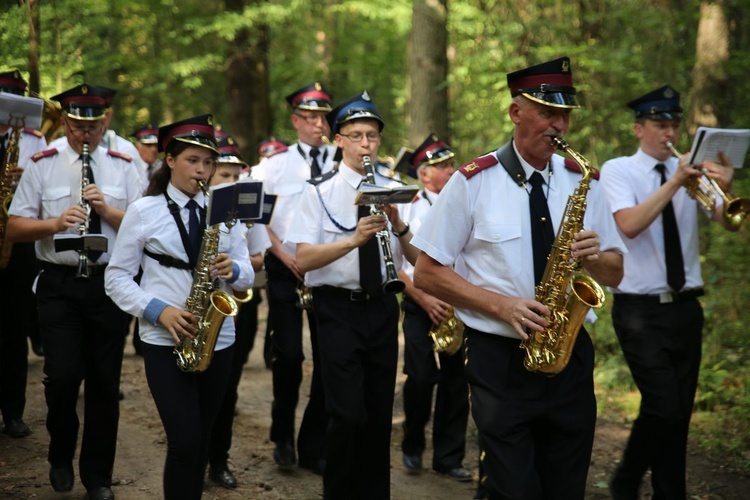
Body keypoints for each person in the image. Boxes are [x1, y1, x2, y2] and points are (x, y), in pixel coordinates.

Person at [410, 57, 626, 499]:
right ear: (516, 112)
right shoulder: (473, 181)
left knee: (565, 486)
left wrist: (596, 258)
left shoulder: (586, 180)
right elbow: (428, 273)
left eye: (565, 115)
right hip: (498, 358)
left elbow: (616, 272)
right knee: (514, 488)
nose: (559, 126)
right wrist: (501, 305)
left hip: (569, 356)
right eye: (548, 113)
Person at [104, 114, 254, 500]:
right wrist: (158, 310)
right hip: (162, 337)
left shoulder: (226, 209)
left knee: (201, 439)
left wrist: (233, 268)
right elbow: (116, 278)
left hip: (218, 339)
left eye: (208, 162)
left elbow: (248, 273)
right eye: (192, 160)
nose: (202, 170)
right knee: (184, 440)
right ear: (169, 160)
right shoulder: (143, 211)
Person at [599, 85, 738, 500]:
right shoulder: (619, 170)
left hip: (685, 308)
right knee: (663, 406)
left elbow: (728, 221)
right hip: (639, 309)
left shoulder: (689, 173)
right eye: (660, 125)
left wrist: (723, 188)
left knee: (678, 414)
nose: (669, 133)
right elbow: (627, 224)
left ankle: (669, 492)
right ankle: (625, 479)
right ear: (639, 128)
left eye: (675, 125)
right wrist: (676, 181)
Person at [7, 83, 143, 500]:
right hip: (58, 283)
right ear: (65, 122)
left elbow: (144, 227)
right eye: (78, 127)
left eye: (95, 128)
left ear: (104, 123)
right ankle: (60, 453)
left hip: (108, 283)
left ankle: (98, 476)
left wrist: (107, 211)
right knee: (63, 377)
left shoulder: (123, 164)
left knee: (105, 383)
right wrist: (53, 224)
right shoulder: (42, 162)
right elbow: (13, 226)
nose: (87, 136)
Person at [285, 90, 420, 499]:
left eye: (372, 136)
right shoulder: (318, 192)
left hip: (381, 306)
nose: (366, 144)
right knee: (346, 414)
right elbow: (304, 260)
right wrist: (353, 240)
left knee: (379, 415)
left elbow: (418, 257)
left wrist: (398, 225)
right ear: (338, 139)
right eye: (357, 135)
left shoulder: (396, 189)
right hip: (336, 309)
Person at [251, 81, 334, 474]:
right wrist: (284, 255)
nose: (320, 123)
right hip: (285, 268)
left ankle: (313, 441)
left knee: (328, 357)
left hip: (329, 269)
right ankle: (282, 432)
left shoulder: (340, 160)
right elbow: (260, 219)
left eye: (324, 116)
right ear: (296, 120)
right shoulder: (273, 166)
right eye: (312, 116)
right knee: (289, 355)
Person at [395, 134, 472, 482]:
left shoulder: (464, 199)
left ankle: (449, 456)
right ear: (424, 174)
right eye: (442, 166)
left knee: (457, 383)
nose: (451, 169)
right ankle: (412, 444)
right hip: (418, 303)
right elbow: (396, 263)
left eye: (450, 163)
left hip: (457, 305)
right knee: (422, 377)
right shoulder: (408, 204)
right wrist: (423, 297)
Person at [206, 131, 271, 489]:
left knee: (226, 387)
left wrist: (238, 263)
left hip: (232, 303)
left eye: (235, 175)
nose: (230, 182)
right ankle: (192, 454)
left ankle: (219, 458)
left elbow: (261, 255)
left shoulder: (248, 208)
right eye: (223, 175)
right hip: (194, 304)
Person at [0, 68, 47, 439]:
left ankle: (12, 410)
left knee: (14, 328)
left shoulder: (35, 138)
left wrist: (24, 180)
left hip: (19, 244)